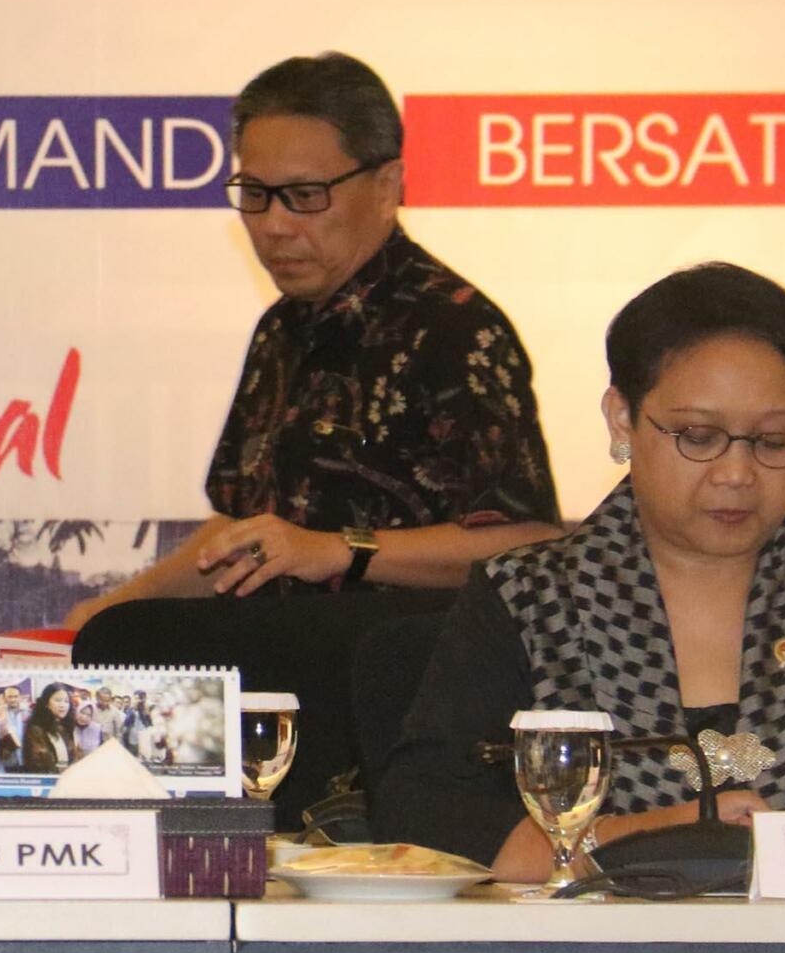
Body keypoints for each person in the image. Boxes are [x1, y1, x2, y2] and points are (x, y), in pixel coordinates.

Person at [373, 264, 785, 879]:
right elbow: (424, 818)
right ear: (621, 419)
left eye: (774, 441)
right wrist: (650, 836)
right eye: (699, 436)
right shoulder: (528, 598)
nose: (736, 473)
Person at [67, 53, 562, 628]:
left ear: (387, 186)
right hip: (279, 664)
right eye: (254, 193)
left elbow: (526, 543)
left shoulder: (455, 329)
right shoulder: (280, 329)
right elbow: (245, 531)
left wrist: (342, 550)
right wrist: (109, 611)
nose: (273, 225)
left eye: (304, 195)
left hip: (403, 669)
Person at [20, 684, 71, 775]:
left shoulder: (64, 728)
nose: (63, 705)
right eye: (58, 700)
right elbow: (38, 763)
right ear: (46, 703)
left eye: (66, 701)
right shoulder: (36, 729)